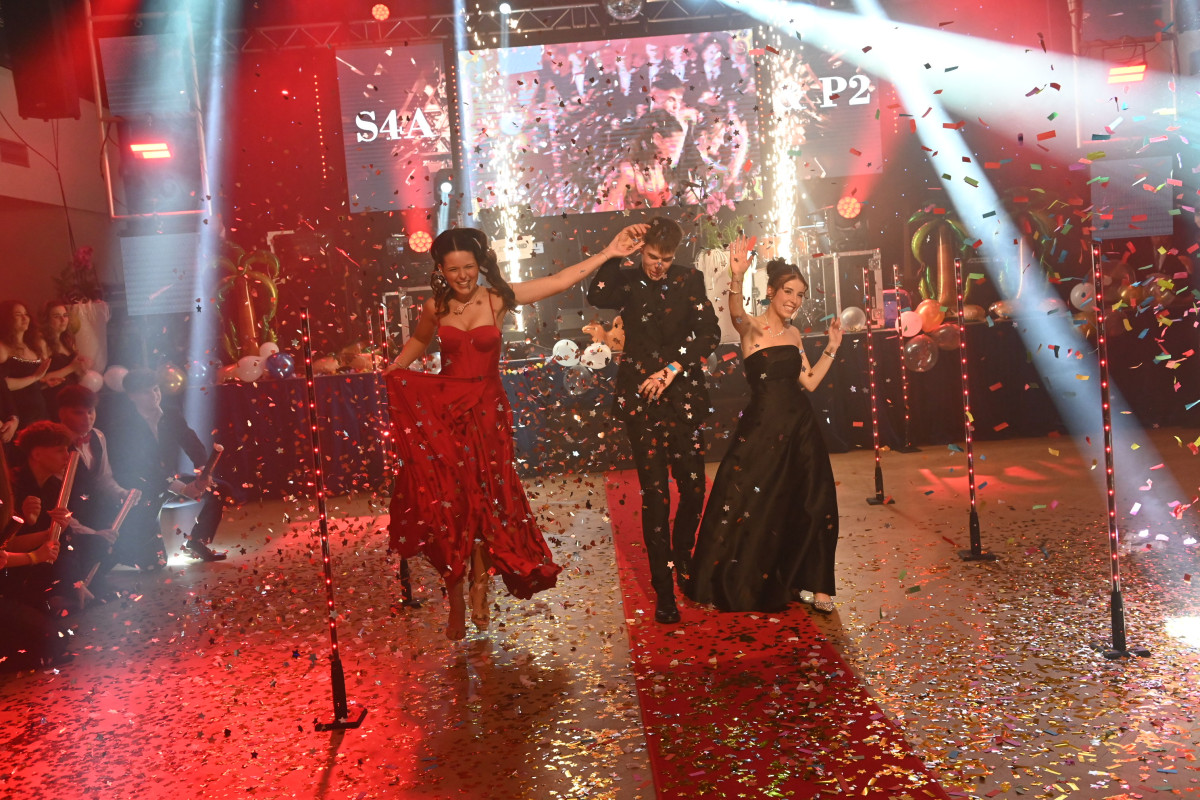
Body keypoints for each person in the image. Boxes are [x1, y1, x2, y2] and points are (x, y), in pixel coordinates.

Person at [384, 223, 647, 640]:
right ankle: (455, 590)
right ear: (441, 270)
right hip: (448, 415)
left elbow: (559, 280)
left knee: (487, 501)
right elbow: (419, 341)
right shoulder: (436, 306)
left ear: (479, 264)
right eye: (453, 269)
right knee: (452, 503)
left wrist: (608, 252)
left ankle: (480, 584)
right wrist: (396, 367)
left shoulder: (498, 299)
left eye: (468, 267)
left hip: (488, 415)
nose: (462, 276)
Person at [686, 236, 844, 613]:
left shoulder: (794, 334)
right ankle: (732, 578)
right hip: (762, 430)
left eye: (800, 295)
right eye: (789, 291)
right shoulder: (751, 328)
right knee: (743, 499)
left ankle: (818, 585)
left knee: (817, 499)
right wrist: (737, 276)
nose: (795, 300)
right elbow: (735, 311)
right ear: (771, 291)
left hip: (801, 427)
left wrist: (832, 347)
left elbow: (809, 381)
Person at [586, 216, 721, 624]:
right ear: (642, 250)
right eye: (651, 256)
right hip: (641, 402)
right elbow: (597, 294)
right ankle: (664, 591)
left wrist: (673, 368)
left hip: (681, 395)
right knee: (656, 495)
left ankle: (682, 556)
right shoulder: (627, 280)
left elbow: (709, 332)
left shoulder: (689, 279)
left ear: (675, 254)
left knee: (693, 489)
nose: (658, 265)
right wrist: (617, 253)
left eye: (665, 258)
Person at [105, 368, 230, 568]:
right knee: (154, 563)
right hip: (142, 489)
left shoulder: (171, 413)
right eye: (146, 392)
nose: (154, 396)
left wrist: (202, 471)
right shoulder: (124, 425)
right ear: (132, 396)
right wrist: (183, 488)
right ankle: (123, 553)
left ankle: (197, 542)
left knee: (218, 489)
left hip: (170, 481)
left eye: (156, 389)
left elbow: (191, 441)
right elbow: (143, 470)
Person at [56, 384, 129, 599]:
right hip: (65, 517)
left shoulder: (98, 436)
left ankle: (96, 578)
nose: (87, 419)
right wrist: (90, 532)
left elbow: (104, 478)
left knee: (123, 534)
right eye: (78, 413)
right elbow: (56, 499)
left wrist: (122, 494)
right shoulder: (56, 444)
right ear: (62, 413)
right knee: (97, 541)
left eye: (90, 412)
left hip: (93, 508)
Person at [595, 110, 685, 212]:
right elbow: (605, 212)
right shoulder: (628, 170)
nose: (677, 152)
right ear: (657, 139)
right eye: (673, 146)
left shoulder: (662, 168)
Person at [0, 299, 51, 431]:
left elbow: (30, 382)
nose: (24, 318)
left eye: (26, 314)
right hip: (20, 413)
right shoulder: (3, 349)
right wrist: (35, 377)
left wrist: (43, 382)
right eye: (18, 314)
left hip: (40, 411)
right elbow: (4, 385)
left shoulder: (31, 346)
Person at [41, 302, 85, 415]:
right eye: (57, 316)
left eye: (65, 315)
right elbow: (41, 379)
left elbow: (75, 372)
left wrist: (81, 370)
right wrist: (72, 367)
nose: (63, 319)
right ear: (47, 320)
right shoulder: (43, 343)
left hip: (73, 395)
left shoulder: (67, 340)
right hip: (56, 399)